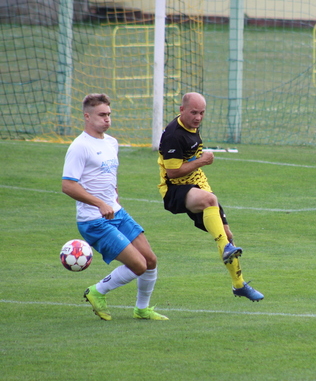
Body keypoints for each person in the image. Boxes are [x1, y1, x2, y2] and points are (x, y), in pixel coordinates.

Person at [62, 93, 168, 321]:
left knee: (150, 260)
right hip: (94, 221)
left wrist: (113, 196)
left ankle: (142, 309)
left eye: (109, 114)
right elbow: (68, 185)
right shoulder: (79, 147)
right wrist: (99, 203)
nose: (107, 119)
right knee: (138, 265)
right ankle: (97, 292)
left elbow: (108, 175)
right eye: (102, 115)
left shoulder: (111, 142)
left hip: (116, 213)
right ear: (87, 116)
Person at [157, 92, 264, 302]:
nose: (198, 117)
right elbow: (173, 172)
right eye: (194, 112)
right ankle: (225, 249)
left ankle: (239, 285)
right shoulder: (173, 135)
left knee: (226, 233)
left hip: (196, 184)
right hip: (174, 190)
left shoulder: (192, 128)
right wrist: (202, 161)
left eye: (202, 113)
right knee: (209, 201)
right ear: (181, 110)